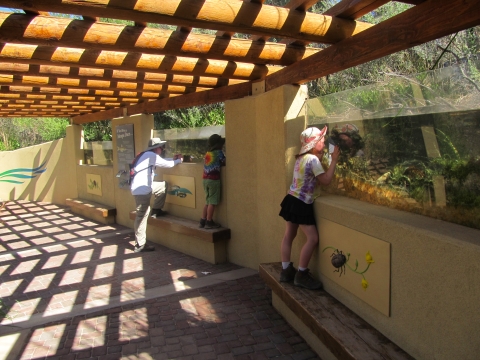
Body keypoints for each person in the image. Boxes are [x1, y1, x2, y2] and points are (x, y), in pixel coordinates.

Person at [279, 126, 340, 290]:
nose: (324, 142)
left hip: (291, 199)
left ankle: (285, 270)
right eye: (322, 140)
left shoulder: (300, 158)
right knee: (312, 238)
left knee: (288, 236)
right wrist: (334, 160)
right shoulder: (313, 160)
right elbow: (326, 180)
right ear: (314, 143)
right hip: (302, 203)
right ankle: (301, 274)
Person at [130, 137, 183, 253]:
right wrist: (179, 161)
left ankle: (156, 210)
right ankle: (140, 245)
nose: (163, 149)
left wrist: (173, 159)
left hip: (143, 187)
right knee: (142, 216)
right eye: (162, 147)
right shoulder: (151, 156)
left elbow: (162, 161)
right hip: (142, 190)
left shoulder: (147, 155)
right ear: (157, 148)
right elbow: (167, 165)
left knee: (163, 186)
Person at [199, 134, 226, 229]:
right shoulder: (219, 153)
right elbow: (224, 162)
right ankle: (209, 221)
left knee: (207, 201)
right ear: (218, 145)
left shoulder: (208, 153)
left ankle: (202, 220)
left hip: (205, 180)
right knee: (212, 202)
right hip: (213, 180)